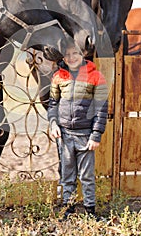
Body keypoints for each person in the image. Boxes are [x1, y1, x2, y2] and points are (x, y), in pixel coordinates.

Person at [47, 39, 108, 219]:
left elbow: (101, 107)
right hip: (65, 135)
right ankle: (68, 209)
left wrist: (96, 134)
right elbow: (53, 104)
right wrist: (53, 123)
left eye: (76, 53)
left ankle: (90, 211)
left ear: (84, 54)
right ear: (63, 57)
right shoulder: (58, 77)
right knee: (67, 175)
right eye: (67, 54)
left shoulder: (96, 76)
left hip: (85, 135)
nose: (72, 57)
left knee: (87, 177)